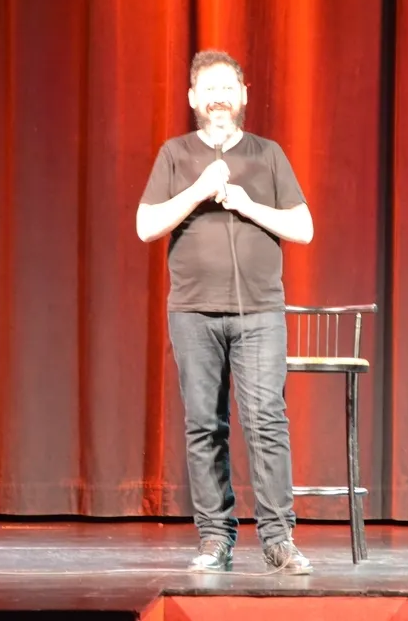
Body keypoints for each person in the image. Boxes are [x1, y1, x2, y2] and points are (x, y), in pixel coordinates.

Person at [135, 49, 314, 575]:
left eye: (227, 88)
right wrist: (198, 189)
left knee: (266, 421)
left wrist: (247, 203)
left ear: (242, 96)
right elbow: (146, 227)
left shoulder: (268, 154)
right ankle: (215, 538)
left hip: (259, 311)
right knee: (204, 426)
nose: (218, 97)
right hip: (193, 311)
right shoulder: (175, 154)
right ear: (193, 98)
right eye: (208, 89)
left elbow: (303, 229)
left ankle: (279, 539)